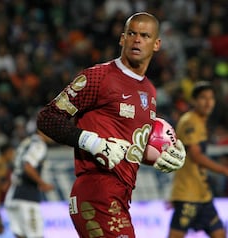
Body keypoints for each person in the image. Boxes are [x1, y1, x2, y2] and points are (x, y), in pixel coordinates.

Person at [36, 12, 186, 238]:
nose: (137, 39)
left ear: (156, 44)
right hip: (97, 191)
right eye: (132, 33)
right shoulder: (98, 77)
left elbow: (125, 146)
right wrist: (93, 143)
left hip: (120, 196)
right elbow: (47, 118)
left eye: (144, 36)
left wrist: (159, 155)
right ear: (122, 39)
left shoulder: (150, 91)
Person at [168, 81, 228, 238]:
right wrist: (223, 170)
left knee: (220, 233)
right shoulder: (190, 121)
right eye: (203, 98)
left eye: (211, 98)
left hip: (202, 194)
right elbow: (196, 155)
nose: (208, 102)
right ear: (193, 100)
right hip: (188, 194)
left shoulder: (200, 121)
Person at [4, 130, 55, 238]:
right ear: (41, 131)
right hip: (27, 197)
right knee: (36, 235)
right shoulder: (39, 145)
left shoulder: (27, 141)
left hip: (13, 195)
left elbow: (14, 165)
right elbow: (28, 166)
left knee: (20, 235)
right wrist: (42, 183)